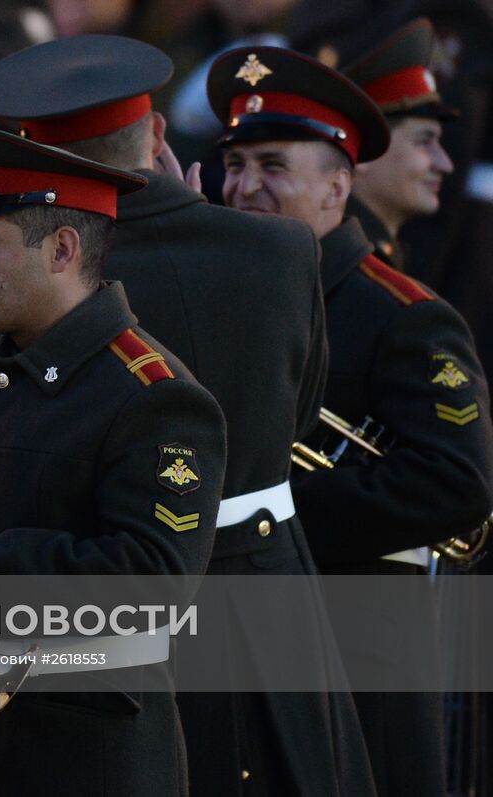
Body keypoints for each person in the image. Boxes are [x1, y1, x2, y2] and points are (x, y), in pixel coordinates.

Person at [0, 34, 376, 796]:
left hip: (106, 602)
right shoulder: (282, 249)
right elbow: (298, 416)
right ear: (157, 135)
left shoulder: (50, 268)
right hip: (265, 597)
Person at [210, 45, 493, 797]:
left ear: (339, 186)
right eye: (234, 166)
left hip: (364, 644)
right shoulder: (223, 299)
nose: (243, 187)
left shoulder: (407, 317)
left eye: (272, 166)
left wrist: (267, 518)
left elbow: (456, 484)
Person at [0, 122, 226, 796]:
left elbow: (153, 584)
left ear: (62, 248)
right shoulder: (2, 363)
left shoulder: (155, 394)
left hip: (83, 760)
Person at [342, 18, 458, 271]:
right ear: (364, 152)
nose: (445, 164)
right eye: (424, 141)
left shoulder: (370, 254)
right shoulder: (349, 267)